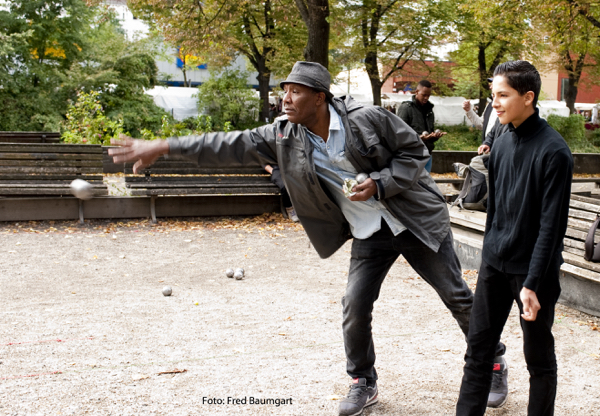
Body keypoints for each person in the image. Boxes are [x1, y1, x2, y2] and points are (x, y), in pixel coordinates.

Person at [109, 61, 506, 416]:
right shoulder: (284, 134)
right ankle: (362, 381)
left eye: (295, 91)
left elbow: (415, 153)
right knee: (355, 304)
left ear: (319, 97)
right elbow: (227, 144)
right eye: (284, 90)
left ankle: (492, 362)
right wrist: (164, 146)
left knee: (456, 296)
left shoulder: (366, 118)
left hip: (413, 219)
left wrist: (380, 183)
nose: (285, 98)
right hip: (370, 230)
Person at [456, 60, 573, 415]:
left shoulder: (555, 152)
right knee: (478, 353)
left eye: (503, 95)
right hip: (494, 265)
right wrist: (488, 255)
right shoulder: (502, 141)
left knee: (538, 360)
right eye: (493, 95)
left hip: (533, 273)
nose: (495, 103)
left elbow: (551, 227)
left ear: (528, 97)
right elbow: (496, 210)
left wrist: (532, 283)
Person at [397, 80, 446, 173]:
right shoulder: (406, 108)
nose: (426, 98)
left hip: (427, 154)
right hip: (411, 156)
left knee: (425, 181)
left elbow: (429, 131)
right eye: (424, 95)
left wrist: (434, 136)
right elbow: (399, 134)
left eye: (428, 95)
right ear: (416, 92)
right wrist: (418, 138)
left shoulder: (429, 109)